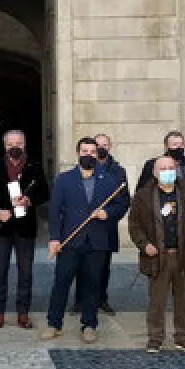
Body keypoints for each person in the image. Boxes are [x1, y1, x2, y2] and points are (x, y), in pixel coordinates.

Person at [42, 137, 129, 344]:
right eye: (84, 150)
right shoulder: (64, 179)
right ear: (78, 153)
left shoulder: (109, 180)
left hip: (97, 241)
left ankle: (89, 325)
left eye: (92, 151)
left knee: (93, 285)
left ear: (97, 154)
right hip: (70, 240)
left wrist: (107, 214)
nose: (88, 154)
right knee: (61, 283)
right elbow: (54, 212)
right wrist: (54, 238)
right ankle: (54, 323)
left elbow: (122, 204)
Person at [128, 155, 185, 354]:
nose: (167, 171)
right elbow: (134, 225)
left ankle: (184, 338)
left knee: (183, 301)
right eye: (162, 168)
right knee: (157, 301)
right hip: (158, 257)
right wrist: (144, 244)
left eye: (170, 167)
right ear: (155, 173)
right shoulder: (143, 195)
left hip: (184, 255)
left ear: (176, 170)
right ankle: (155, 338)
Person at [137, 130, 185, 320]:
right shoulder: (152, 165)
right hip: (159, 224)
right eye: (174, 145)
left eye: (181, 144)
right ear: (166, 147)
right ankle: (157, 309)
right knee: (159, 273)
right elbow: (141, 188)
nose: (178, 147)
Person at [0, 129, 49, 329]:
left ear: (24, 144)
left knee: (26, 271)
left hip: (25, 227)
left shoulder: (34, 166)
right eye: (11, 144)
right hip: (1, 228)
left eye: (18, 143)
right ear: (5, 146)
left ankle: (23, 313)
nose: (15, 147)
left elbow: (45, 192)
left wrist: (30, 199)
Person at [71, 133, 130, 316]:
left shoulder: (118, 171)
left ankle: (101, 299)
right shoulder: (80, 169)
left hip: (105, 228)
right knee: (81, 265)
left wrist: (109, 214)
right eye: (98, 145)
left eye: (105, 145)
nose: (101, 148)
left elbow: (123, 200)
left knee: (103, 267)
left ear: (109, 147)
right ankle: (80, 301)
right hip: (83, 227)